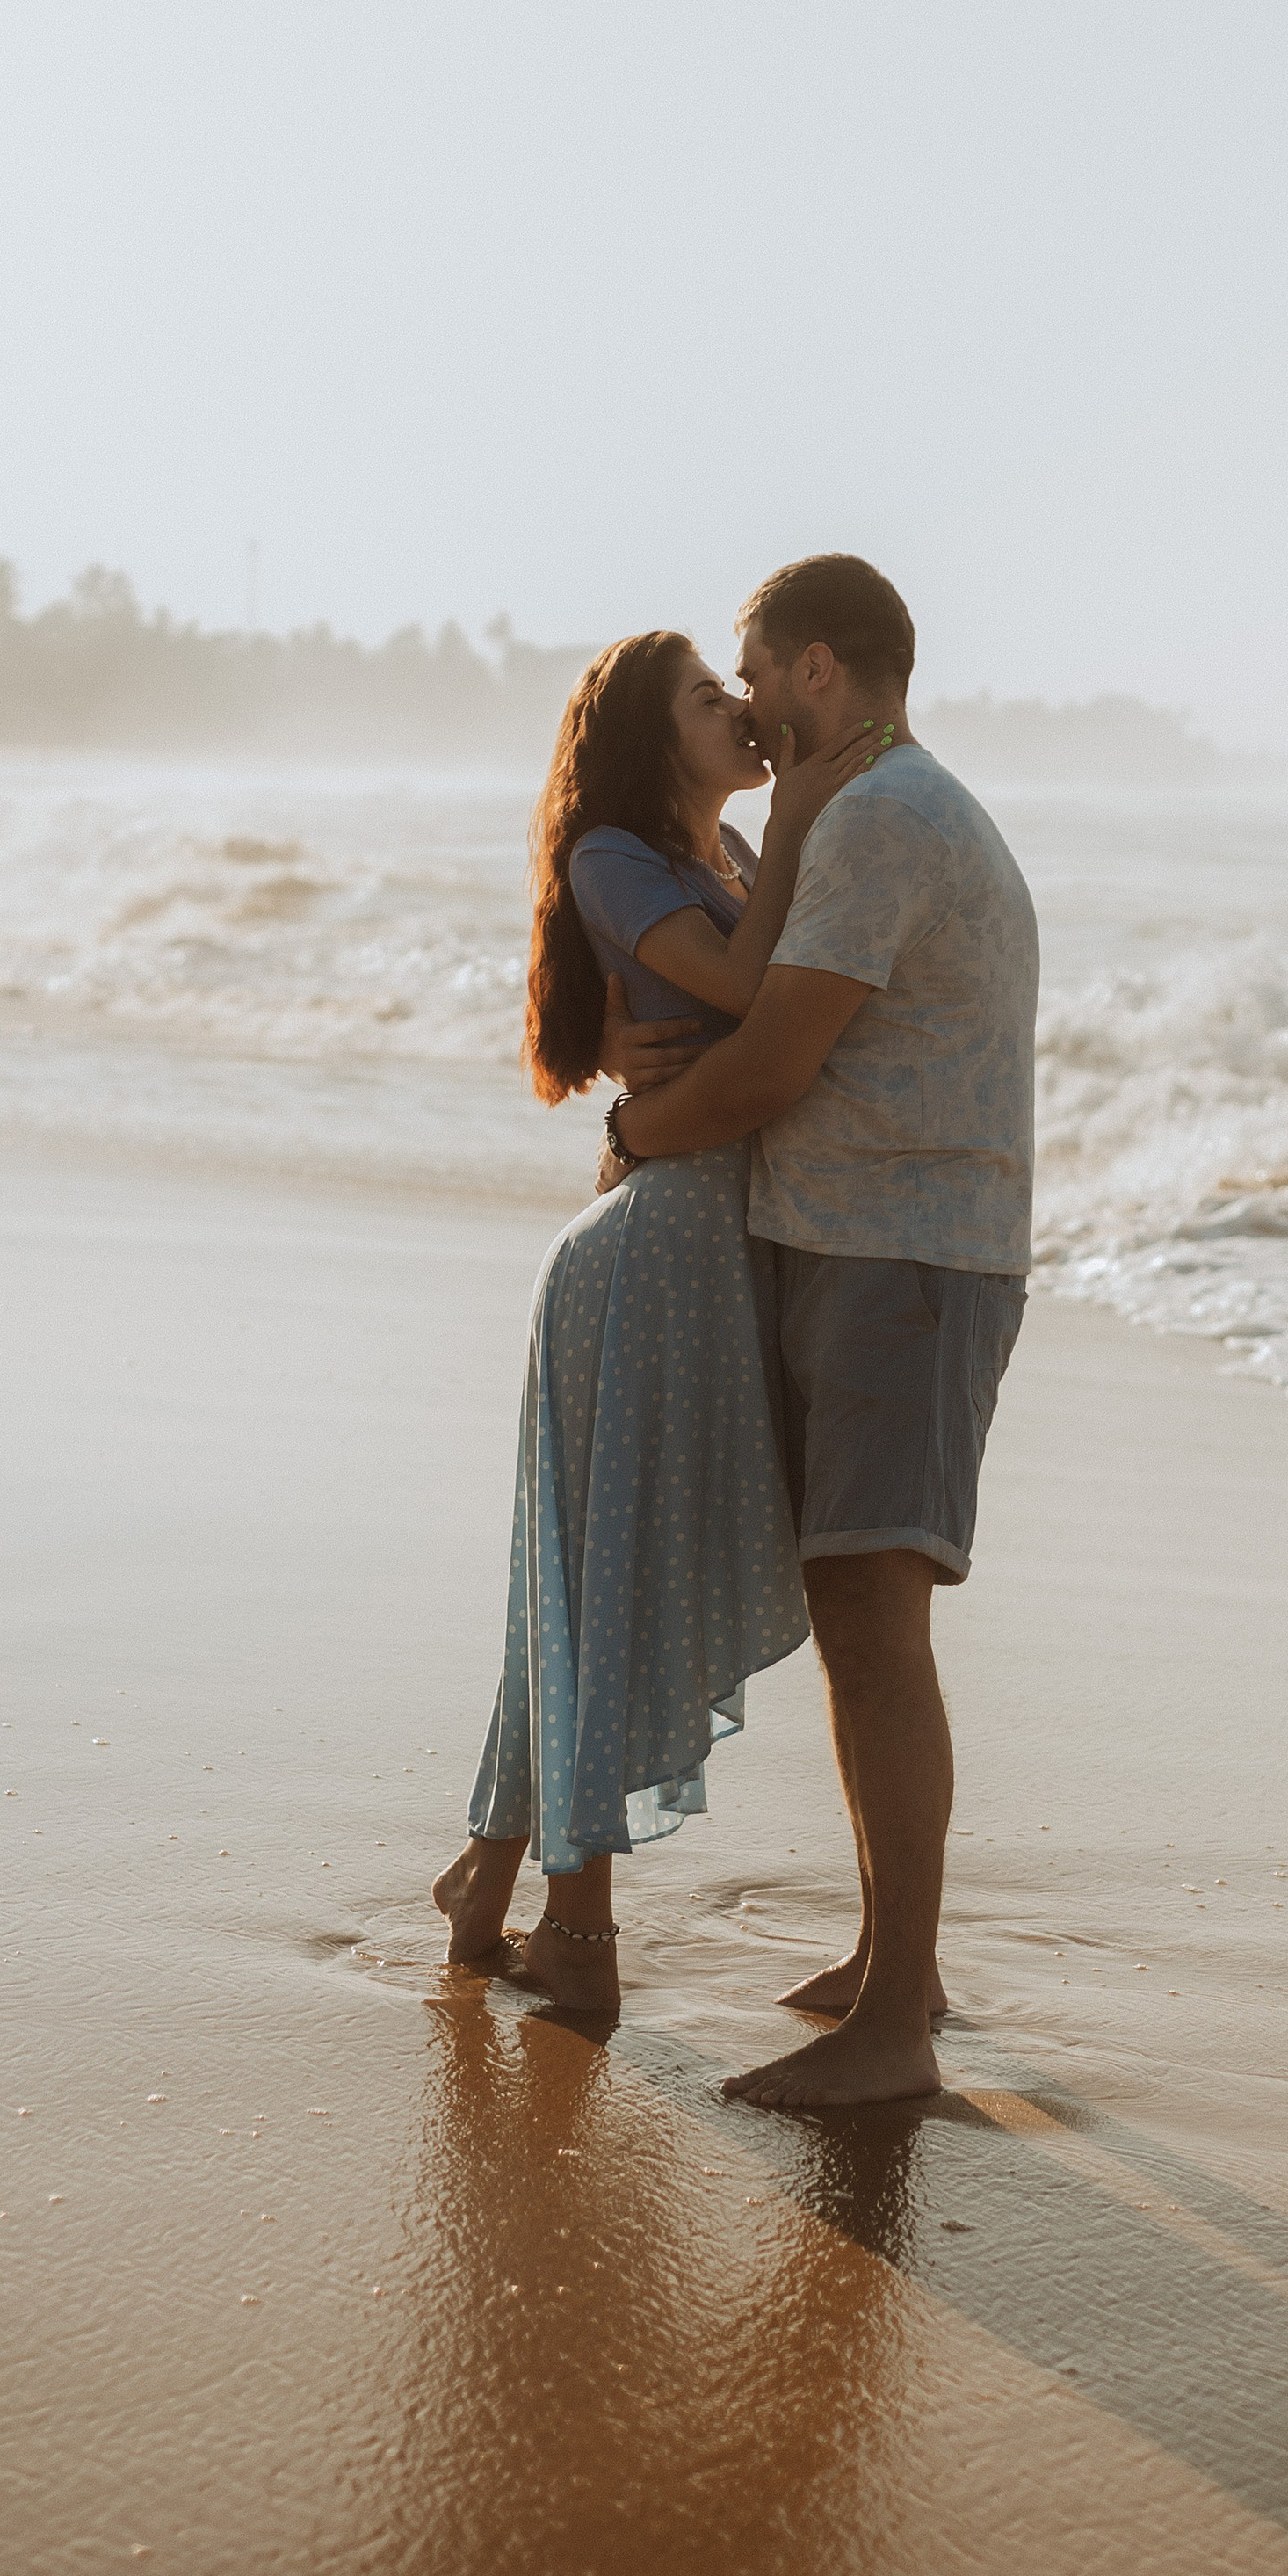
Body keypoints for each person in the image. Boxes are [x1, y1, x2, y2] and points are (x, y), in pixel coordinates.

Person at [596, 555, 1040, 2108]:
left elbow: (779, 1061)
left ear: (821, 673)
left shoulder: (878, 821)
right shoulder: (863, 813)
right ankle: (888, 1970)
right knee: (864, 1629)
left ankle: (898, 2026)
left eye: (759, 672)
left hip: (903, 1262)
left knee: (875, 1628)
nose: (754, 710)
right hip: (873, 1247)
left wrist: (642, 1135)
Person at [431, 629, 886, 2008]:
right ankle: (578, 1926)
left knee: (585, 1584)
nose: (741, 711)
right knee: (605, 1584)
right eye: (711, 698)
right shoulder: (618, 858)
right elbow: (760, 998)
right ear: (651, 740)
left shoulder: (736, 864)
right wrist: (807, 795)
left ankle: (490, 1871)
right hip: (645, 1261)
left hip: (709, 1251)